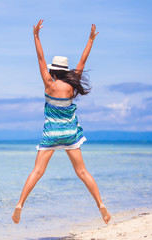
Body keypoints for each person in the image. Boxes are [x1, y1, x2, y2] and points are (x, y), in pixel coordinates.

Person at [12, 19, 111, 225]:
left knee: (37, 172)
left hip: (51, 134)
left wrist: (36, 36)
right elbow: (83, 61)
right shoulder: (72, 85)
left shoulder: (48, 83)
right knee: (82, 172)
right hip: (69, 133)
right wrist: (91, 39)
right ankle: (100, 204)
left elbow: (40, 57)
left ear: (53, 71)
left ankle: (21, 203)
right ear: (65, 70)